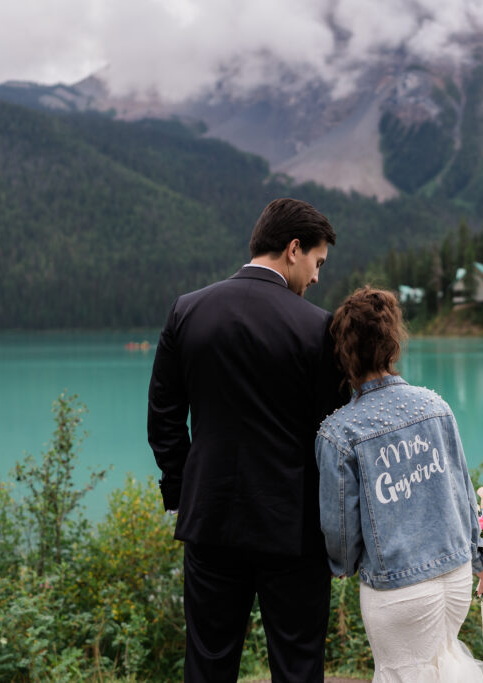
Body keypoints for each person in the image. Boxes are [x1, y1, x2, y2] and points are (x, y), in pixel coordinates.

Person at [148, 198, 346, 682]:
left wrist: (181, 493)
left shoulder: (187, 311)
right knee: (298, 667)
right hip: (293, 528)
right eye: (317, 262)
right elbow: (335, 433)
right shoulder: (318, 327)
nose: (317, 277)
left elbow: (164, 418)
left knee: (209, 663)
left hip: (210, 520)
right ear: (293, 249)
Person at [315, 287, 483, 682]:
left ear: (343, 353)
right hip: (453, 580)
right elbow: (463, 495)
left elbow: (342, 533)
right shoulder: (436, 407)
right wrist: (477, 555)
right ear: (393, 344)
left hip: (397, 592)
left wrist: (342, 566)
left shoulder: (338, 432)